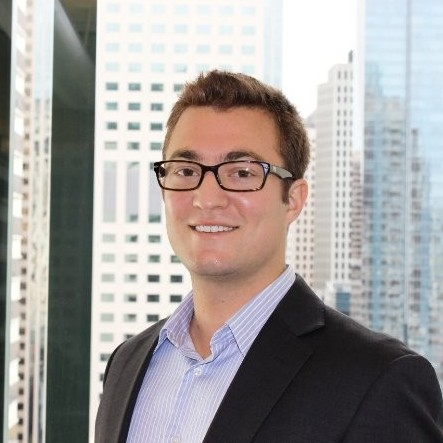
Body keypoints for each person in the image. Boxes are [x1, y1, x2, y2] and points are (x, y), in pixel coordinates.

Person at [95, 70, 443, 443]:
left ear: (293, 199)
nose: (207, 198)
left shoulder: (379, 379)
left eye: (242, 173)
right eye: (185, 170)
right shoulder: (127, 363)